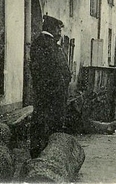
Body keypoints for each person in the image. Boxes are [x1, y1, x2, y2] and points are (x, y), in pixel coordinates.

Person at [30, 15, 72, 158]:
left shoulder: (48, 44)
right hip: (49, 94)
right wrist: (57, 86)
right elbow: (46, 72)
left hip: (53, 93)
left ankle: (46, 152)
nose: (60, 33)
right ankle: (42, 154)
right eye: (58, 29)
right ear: (51, 28)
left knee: (48, 122)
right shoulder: (44, 44)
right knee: (46, 122)